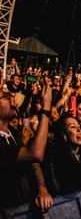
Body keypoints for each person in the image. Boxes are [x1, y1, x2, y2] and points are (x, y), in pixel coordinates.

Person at [0, 77, 52, 208]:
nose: (11, 97)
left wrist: (41, 187)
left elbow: (32, 162)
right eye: (5, 96)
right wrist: (46, 108)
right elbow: (36, 154)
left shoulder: (13, 132)